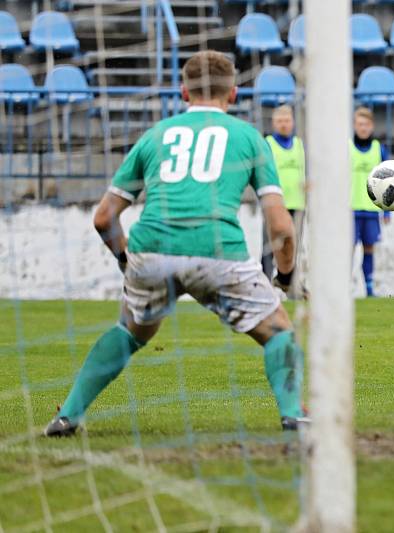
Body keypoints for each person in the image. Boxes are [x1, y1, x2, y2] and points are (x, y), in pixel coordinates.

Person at [44, 51, 307, 436]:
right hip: (218, 251)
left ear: (183, 91)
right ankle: (293, 415)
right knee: (279, 330)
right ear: (233, 94)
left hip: (151, 250)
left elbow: (104, 217)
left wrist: (125, 259)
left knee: (131, 330)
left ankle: (68, 415)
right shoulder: (249, 137)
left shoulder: (154, 135)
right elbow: (281, 225)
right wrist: (285, 275)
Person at [263, 105, 306, 286]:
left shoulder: (299, 145)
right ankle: (265, 282)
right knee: (269, 246)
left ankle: (289, 283)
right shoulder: (268, 144)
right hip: (274, 204)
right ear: (273, 123)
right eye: (280, 121)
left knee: (293, 246)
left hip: (297, 203)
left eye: (286, 121)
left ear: (293, 123)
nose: (283, 124)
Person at [351, 107, 390, 298]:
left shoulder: (378, 149)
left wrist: (387, 210)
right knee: (347, 250)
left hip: (371, 209)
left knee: (369, 248)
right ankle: (345, 287)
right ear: (354, 126)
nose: (363, 128)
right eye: (359, 124)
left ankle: (369, 288)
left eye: (366, 124)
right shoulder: (347, 147)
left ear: (372, 126)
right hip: (350, 209)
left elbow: (387, 181)